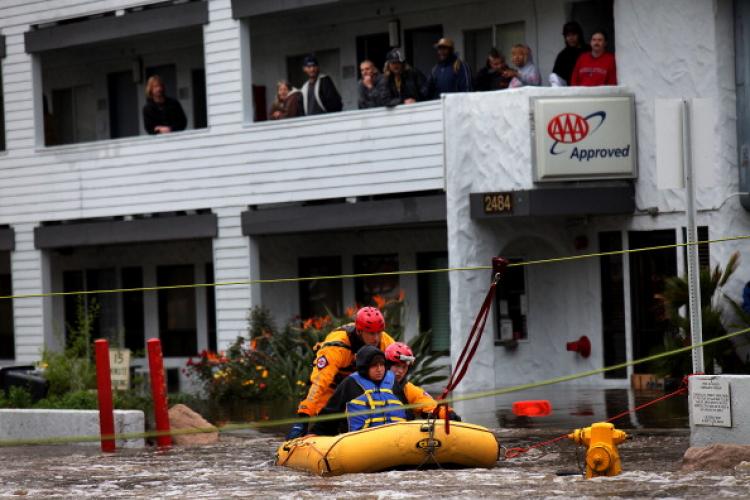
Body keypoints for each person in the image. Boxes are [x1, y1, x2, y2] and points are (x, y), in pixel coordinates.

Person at [286, 306, 395, 439]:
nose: (377, 338)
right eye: (372, 334)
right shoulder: (337, 347)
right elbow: (320, 383)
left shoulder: (386, 342)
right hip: (332, 391)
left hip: (365, 389)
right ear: (360, 331)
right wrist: (303, 417)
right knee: (328, 424)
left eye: (379, 332)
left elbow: (398, 374)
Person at [308, 345, 408, 436]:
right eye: (374, 365)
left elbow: (407, 411)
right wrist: (316, 432)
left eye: (382, 365)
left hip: (395, 438)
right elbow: (331, 412)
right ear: (364, 367)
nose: (379, 369)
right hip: (359, 443)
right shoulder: (350, 383)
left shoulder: (392, 382)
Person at [385, 342, 460, 421]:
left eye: (404, 367)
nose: (400, 371)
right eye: (397, 366)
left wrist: (446, 414)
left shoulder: (407, 388)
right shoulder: (373, 384)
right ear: (388, 365)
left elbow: (428, 403)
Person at [551, 22, 589, 86]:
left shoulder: (588, 51)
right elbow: (556, 78)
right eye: (568, 35)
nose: (571, 38)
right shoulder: (562, 55)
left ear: (579, 35)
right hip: (570, 91)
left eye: (573, 34)